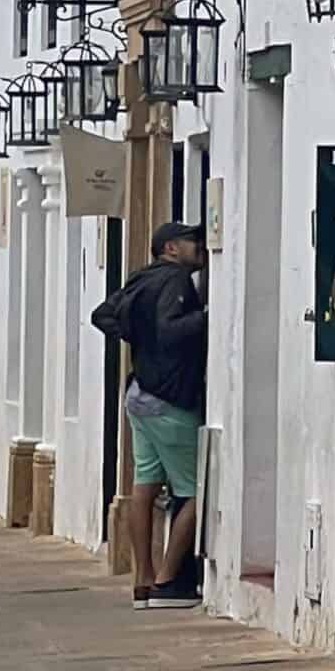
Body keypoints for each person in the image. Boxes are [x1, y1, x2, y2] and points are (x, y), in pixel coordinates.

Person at [92, 221, 209, 608]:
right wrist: (210, 316)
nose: (201, 248)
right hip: (169, 400)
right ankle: (168, 580)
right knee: (196, 490)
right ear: (172, 248)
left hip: (139, 392)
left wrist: (138, 337)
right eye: (194, 242)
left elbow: (103, 315)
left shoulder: (141, 279)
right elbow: (171, 331)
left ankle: (142, 576)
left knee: (145, 484)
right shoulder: (176, 281)